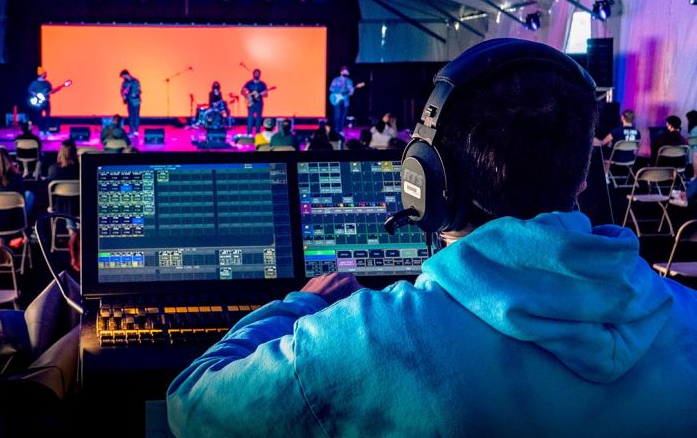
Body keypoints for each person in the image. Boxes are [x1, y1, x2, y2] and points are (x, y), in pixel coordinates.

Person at [167, 38, 697, 436]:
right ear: (582, 179)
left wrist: (300, 305)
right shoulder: (687, 311)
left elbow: (192, 404)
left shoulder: (370, 338)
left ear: (424, 181)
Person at [328, 65, 358, 133]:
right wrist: (338, 91)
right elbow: (331, 88)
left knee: (344, 116)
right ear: (341, 72)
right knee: (337, 115)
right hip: (337, 99)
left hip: (345, 100)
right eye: (344, 71)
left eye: (347, 72)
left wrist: (351, 91)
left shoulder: (349, 81)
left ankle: (341, 130)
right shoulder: (335, 80)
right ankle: (336, 130)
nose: (345, 73)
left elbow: (350, 93)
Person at [241, 69, 268, 136]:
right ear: (253, 74)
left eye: (258, 73)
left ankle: (257, 134)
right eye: (255, 73)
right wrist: (247, 96)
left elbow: (266, 94)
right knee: (250, 118)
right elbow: (242, 91)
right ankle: (249, 133)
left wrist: (260, 94)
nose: (256, 75)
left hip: (259, 103)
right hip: (251, 103)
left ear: (259, 75)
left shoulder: (262, 84)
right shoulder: (249, 83)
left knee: (258, 118)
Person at [28, 67, 54, 136]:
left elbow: (51, 91)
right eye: (44, 73)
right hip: (39, 103)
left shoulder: (47, 83)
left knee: (48, 117)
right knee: (39, 117)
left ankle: (47, 130)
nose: (45, 74)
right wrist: (37, 95)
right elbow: (30, 90)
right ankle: (41, 131)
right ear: (41, 74)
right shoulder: (34, 83)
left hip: (46, 102)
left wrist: (54, 91)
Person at [119, 69, 142, 137]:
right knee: (130, 116)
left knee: (136, 116)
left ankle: (136, 131)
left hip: (136, 101)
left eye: (124, 76)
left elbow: (138, 90)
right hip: (129, 101)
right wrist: (123, 94)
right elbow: (122, 91)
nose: (123, 78)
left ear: (127, 74)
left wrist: (135, 93)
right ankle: (131, 131)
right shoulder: (124, 83)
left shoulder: (135, 81)